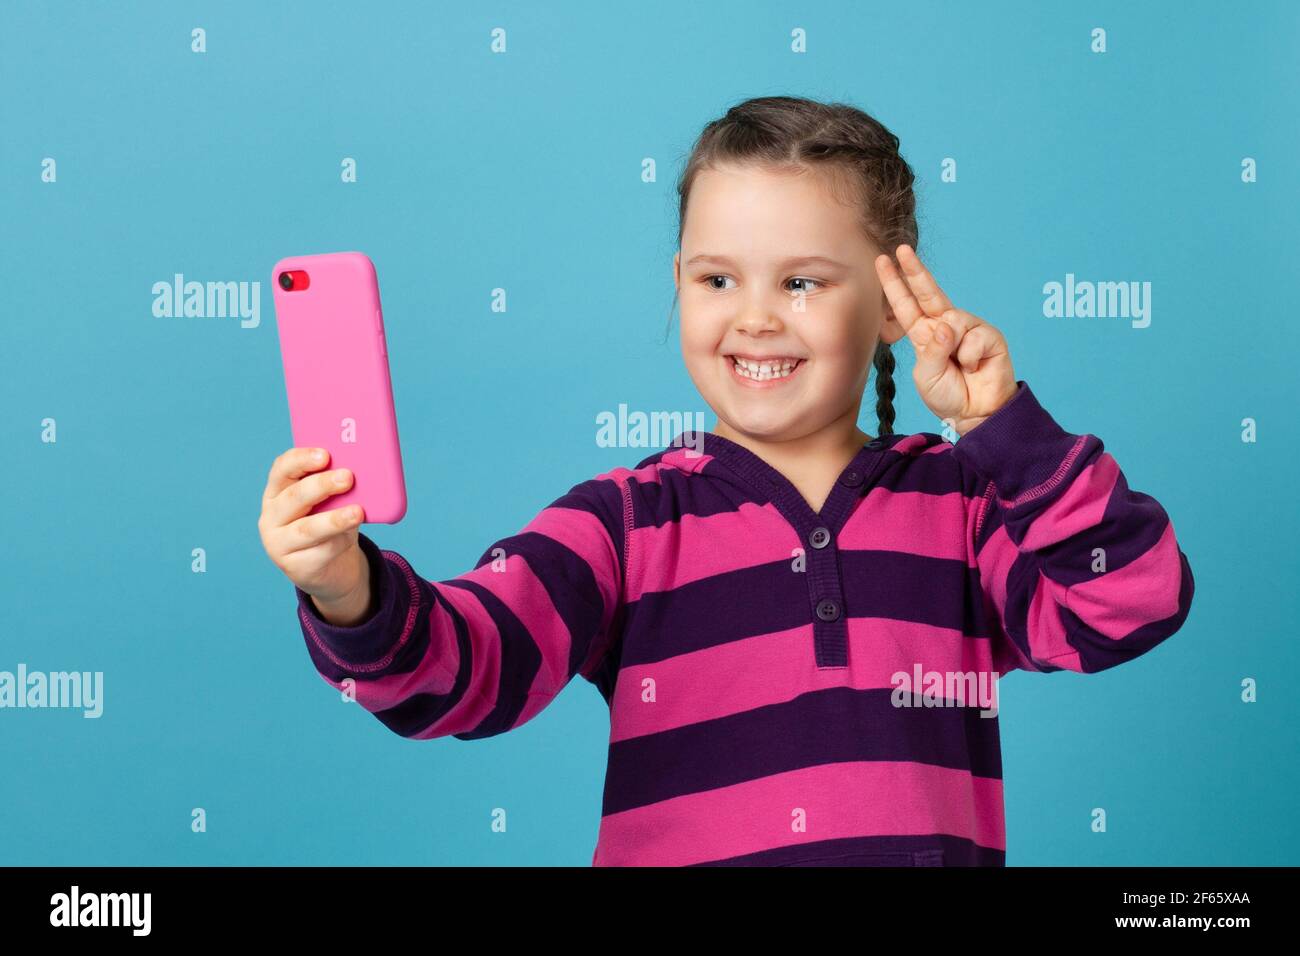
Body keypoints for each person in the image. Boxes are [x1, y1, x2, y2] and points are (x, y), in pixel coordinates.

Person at [257, 95, 1194, 866]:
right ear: (677, 281)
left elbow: (1130, 603)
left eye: (801, 283)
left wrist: (1004, 432)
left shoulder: (967, 509)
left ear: (893, 305)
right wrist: (345, 588)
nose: (753, 318)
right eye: (716, 280)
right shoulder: (625, 526)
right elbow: (467, 671)